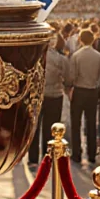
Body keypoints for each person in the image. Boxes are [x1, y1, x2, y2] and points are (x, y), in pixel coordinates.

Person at [67, 29, 100, 166]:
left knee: (76, 123)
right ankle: (92, 154)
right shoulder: (99, 56)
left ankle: (76, 153)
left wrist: (70, 86)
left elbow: (72, 75)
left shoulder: (76, 55)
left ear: (80, 40)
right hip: (92, 91)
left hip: (79, 90)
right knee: (91, 123)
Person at [30, 34, 68, 167]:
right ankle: (48, 156)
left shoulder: (35, 56)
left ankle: (33, 158)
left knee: (34, 128)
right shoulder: (60, 58)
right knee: (50, 128)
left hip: (37, 95)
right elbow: (67, 76)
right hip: (54, 94)